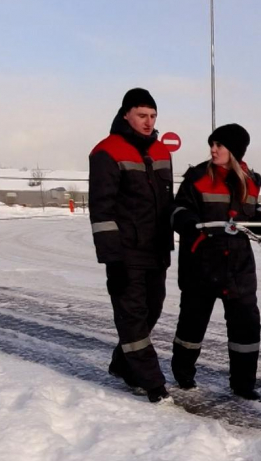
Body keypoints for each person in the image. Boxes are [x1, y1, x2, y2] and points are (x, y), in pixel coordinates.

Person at [170, 123, 261, 400]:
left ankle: (243, 384)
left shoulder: (250, 180)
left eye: (219, 145)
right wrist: (187, 222)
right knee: (192, 323)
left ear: (234, 151)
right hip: (201, 263)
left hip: (238, 267)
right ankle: (183, 374)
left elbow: (249, 215)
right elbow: (178, 209)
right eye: (211, 145)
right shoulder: (198, 177)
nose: (213, 150)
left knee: (246, 326)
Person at [88, 88, 174, 403]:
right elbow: (101, 211)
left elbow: (168, 204)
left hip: (157, 252)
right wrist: (114, 260)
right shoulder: (106, 151)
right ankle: (154, 384)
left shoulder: (163, 152)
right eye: (142, 115)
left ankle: (121, 364)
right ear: (126, 114)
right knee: (133, 317)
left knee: (151, 312)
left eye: (152, 116)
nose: (148, 122)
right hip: (126, 253)